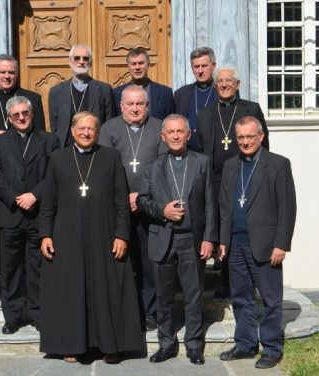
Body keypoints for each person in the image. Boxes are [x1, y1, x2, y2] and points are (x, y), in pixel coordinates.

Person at [39, 111, 144, 364]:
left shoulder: (110, 157)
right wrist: (45, 234)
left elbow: (121, 201)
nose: (86, 133)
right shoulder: (57, 159)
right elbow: (48, 203)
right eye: (81, 129)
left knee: (107, 289)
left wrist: (122, 234)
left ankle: (111, 344)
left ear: (97, 132)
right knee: (70, 291)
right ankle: (71, 344)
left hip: (104, 235)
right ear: (73, 131)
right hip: (67, 237)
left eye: (91, 129)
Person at [136, 114, 217, 365]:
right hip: (163, 239)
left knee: (193, 294)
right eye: (170, 132)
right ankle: (167, 344)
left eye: (180, 131)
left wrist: (209, 238)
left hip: (192, 239)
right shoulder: (152, 167)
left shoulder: (202, 162)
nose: (175, 136)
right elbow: (141, 200)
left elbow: (211, 204)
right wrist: (162, 211)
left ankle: (194, 345)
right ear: (163, 136)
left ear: (188, 134)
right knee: (164, 296)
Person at [218, 116, 296, 369]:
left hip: (265, 244)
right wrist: (222, 240)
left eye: (250, 136)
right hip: (236, 244)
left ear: (261, 136)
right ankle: (245, 344)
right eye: (240, 137)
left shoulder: (278, 164)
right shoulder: (231, 165)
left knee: (271, 299)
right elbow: (224, 207)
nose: (245, 142)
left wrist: (281, 244)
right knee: (241, 298)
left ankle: (272, 348)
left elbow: (288, 208)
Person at [98, 85, 167, 332]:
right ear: (121, 106)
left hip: (149, 207)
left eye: (140, 104)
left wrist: (141, 196)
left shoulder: (160, 127)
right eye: (130, 104)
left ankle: (150, 312)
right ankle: (127, 312)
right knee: (124, 263)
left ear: (148, 106)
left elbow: (164, 166)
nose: (135, 108)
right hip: (119, 207)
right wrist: (123, 196)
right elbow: (103, 165)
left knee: (149, 264)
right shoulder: (109, 128)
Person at [0, 96, 59, 334]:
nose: (21, 118)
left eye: (25, 114)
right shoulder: (0, 142)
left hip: (38, 213)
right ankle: (13, 316)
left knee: (38, 266)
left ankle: (38, 313)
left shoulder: (49, 140)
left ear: (32, 114)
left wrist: (34, 195)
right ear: (9, 118)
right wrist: (15, 198)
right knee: (10, 269)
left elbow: (54, 172)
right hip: (10, 213)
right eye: (16, 115)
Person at [196, 66, 269, 299]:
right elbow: (201, 150)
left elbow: (264, 146)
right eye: (220, 81)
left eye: (229, 81)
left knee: (243, 230)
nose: (225, 84)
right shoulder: (206, 113)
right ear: (215, 85)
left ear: (238, 84)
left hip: (244, 178)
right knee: (221, 231)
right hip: (215, 182)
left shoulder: (251, 109)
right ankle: (227, 283)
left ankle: (253, 281)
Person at [0, 54, 46, 277]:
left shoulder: (31, 97)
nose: (7, 76)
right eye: (3, 72)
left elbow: (41, 131)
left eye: (11, 72)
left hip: (29, 167)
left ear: (17, 73)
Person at [48, 44, 115, 147]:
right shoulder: (56, 92)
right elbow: (55, 127)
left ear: (90, 63)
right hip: (66, 149)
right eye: (77, 58)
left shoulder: (104, 90)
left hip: (96, 149)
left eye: (85, 58)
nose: (81, 61)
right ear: (70, 62)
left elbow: (109, 124)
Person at [174, 47, 219, 149]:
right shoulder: (181, 94)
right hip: (187, 152)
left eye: (204, 66)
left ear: (213, 66)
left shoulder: (221, 92)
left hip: (213, 151)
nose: (200, 71)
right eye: (196, 66)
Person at [114, 48, 174, 121]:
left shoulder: (165, 93)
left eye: (141, 63)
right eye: (133, 64)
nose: (137, 67)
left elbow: (171, 122)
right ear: (128, 66)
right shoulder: (117, 93)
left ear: (148, 65)